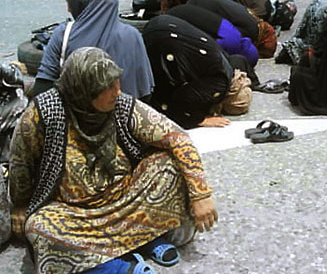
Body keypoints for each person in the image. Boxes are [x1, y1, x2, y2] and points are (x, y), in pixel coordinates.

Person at [10, 47, 218, 273]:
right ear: (84, 92)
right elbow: (21, 162)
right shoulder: (43, 114)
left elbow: (177, 138)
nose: (117, 91)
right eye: (107, 87)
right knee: (39, 227)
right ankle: (115, 266)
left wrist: (201, 194)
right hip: (75, 214)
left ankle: (142, 239)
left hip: (127, 202)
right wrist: (20, 205)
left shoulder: (122, 106)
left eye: (116, 82)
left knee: (169, 165)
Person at [32, 0, 154, 101]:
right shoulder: (133, 36)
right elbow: (145, 93)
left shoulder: (63, 34)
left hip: (75, 119)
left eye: (70, 2)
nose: (69, 9)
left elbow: (42, 90)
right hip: (124, 119)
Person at [143, 15, 253, 129]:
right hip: (163, 42)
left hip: (161, 23)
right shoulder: (220, 83)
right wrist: (200, 120)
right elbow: (184, 99)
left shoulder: (228, 63)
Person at [168, 4, 259, 66]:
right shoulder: (231, 44)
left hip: (184, 10)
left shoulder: (237, 35)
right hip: (177, 19)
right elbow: (208, 50)